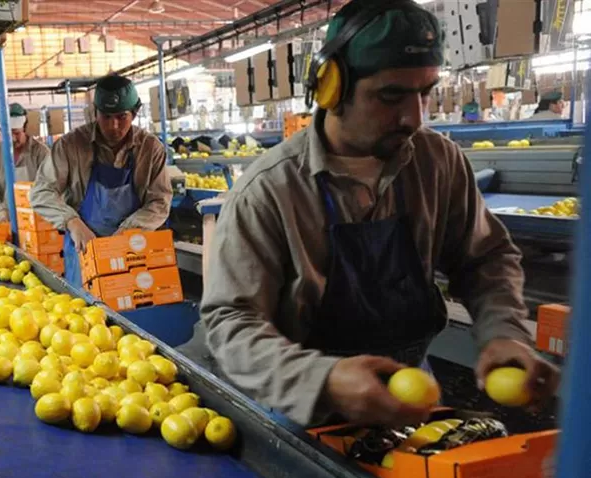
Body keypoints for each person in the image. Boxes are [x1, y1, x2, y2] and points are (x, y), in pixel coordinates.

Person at [200, 0, 559, 427]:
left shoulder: (437, 162)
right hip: (299, 406)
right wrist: (322, 380)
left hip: (411, 392)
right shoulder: (270, 190)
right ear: (333, 89)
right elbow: (230, 322)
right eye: (391, 96)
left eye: (424, 93)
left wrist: (503, 330)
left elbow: (486, 257)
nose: (413, 117)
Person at [30, 74, 172, 287]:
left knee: (133, 307)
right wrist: (72, 222)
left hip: (134, 248)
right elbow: (41, 192)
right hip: (84, 250)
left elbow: (160, 201)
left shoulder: (150, 149)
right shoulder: (71, 146)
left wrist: (127, 231)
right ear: (95, 113)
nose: (114, 126)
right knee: (84, 312)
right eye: (106, 117)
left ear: (134, 113)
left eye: (121, 117)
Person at [0, 103, 50, 221]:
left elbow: (51, 185)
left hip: (37, 218)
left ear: (25, 129)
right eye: (8, 134)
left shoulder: (41, 153)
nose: (13, 139)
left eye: (17, 133)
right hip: (8, 219)